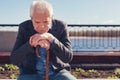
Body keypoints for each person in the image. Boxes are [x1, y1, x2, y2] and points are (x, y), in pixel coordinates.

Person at [10, 0, 77, 80]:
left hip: (58, 72)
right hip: (30, 73)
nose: (42, 26)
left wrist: (52, 40)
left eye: (46, 21)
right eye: (37, 22)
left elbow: (68, 57)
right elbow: (14, 59)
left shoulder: (61, 27)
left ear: (52, 17)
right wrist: (30, 44)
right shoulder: (24, 27)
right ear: (31, 18)